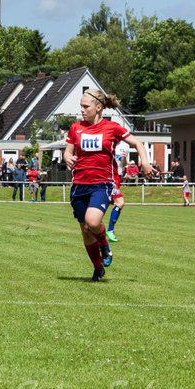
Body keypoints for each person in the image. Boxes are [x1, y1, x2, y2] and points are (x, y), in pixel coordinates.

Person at [64, 89, 158, 280]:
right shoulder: (75, 128)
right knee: (85, 230)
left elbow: (138, 144)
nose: (82, 110)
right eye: (81, 106)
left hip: (102, 183)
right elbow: (68, 151)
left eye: (85, 106)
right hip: (79, 184)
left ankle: (104, 244)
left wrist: (145, 162)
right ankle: (98, 269)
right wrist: (67, 157)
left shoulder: (112, 128)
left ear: (98, 107)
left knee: (92, 222)